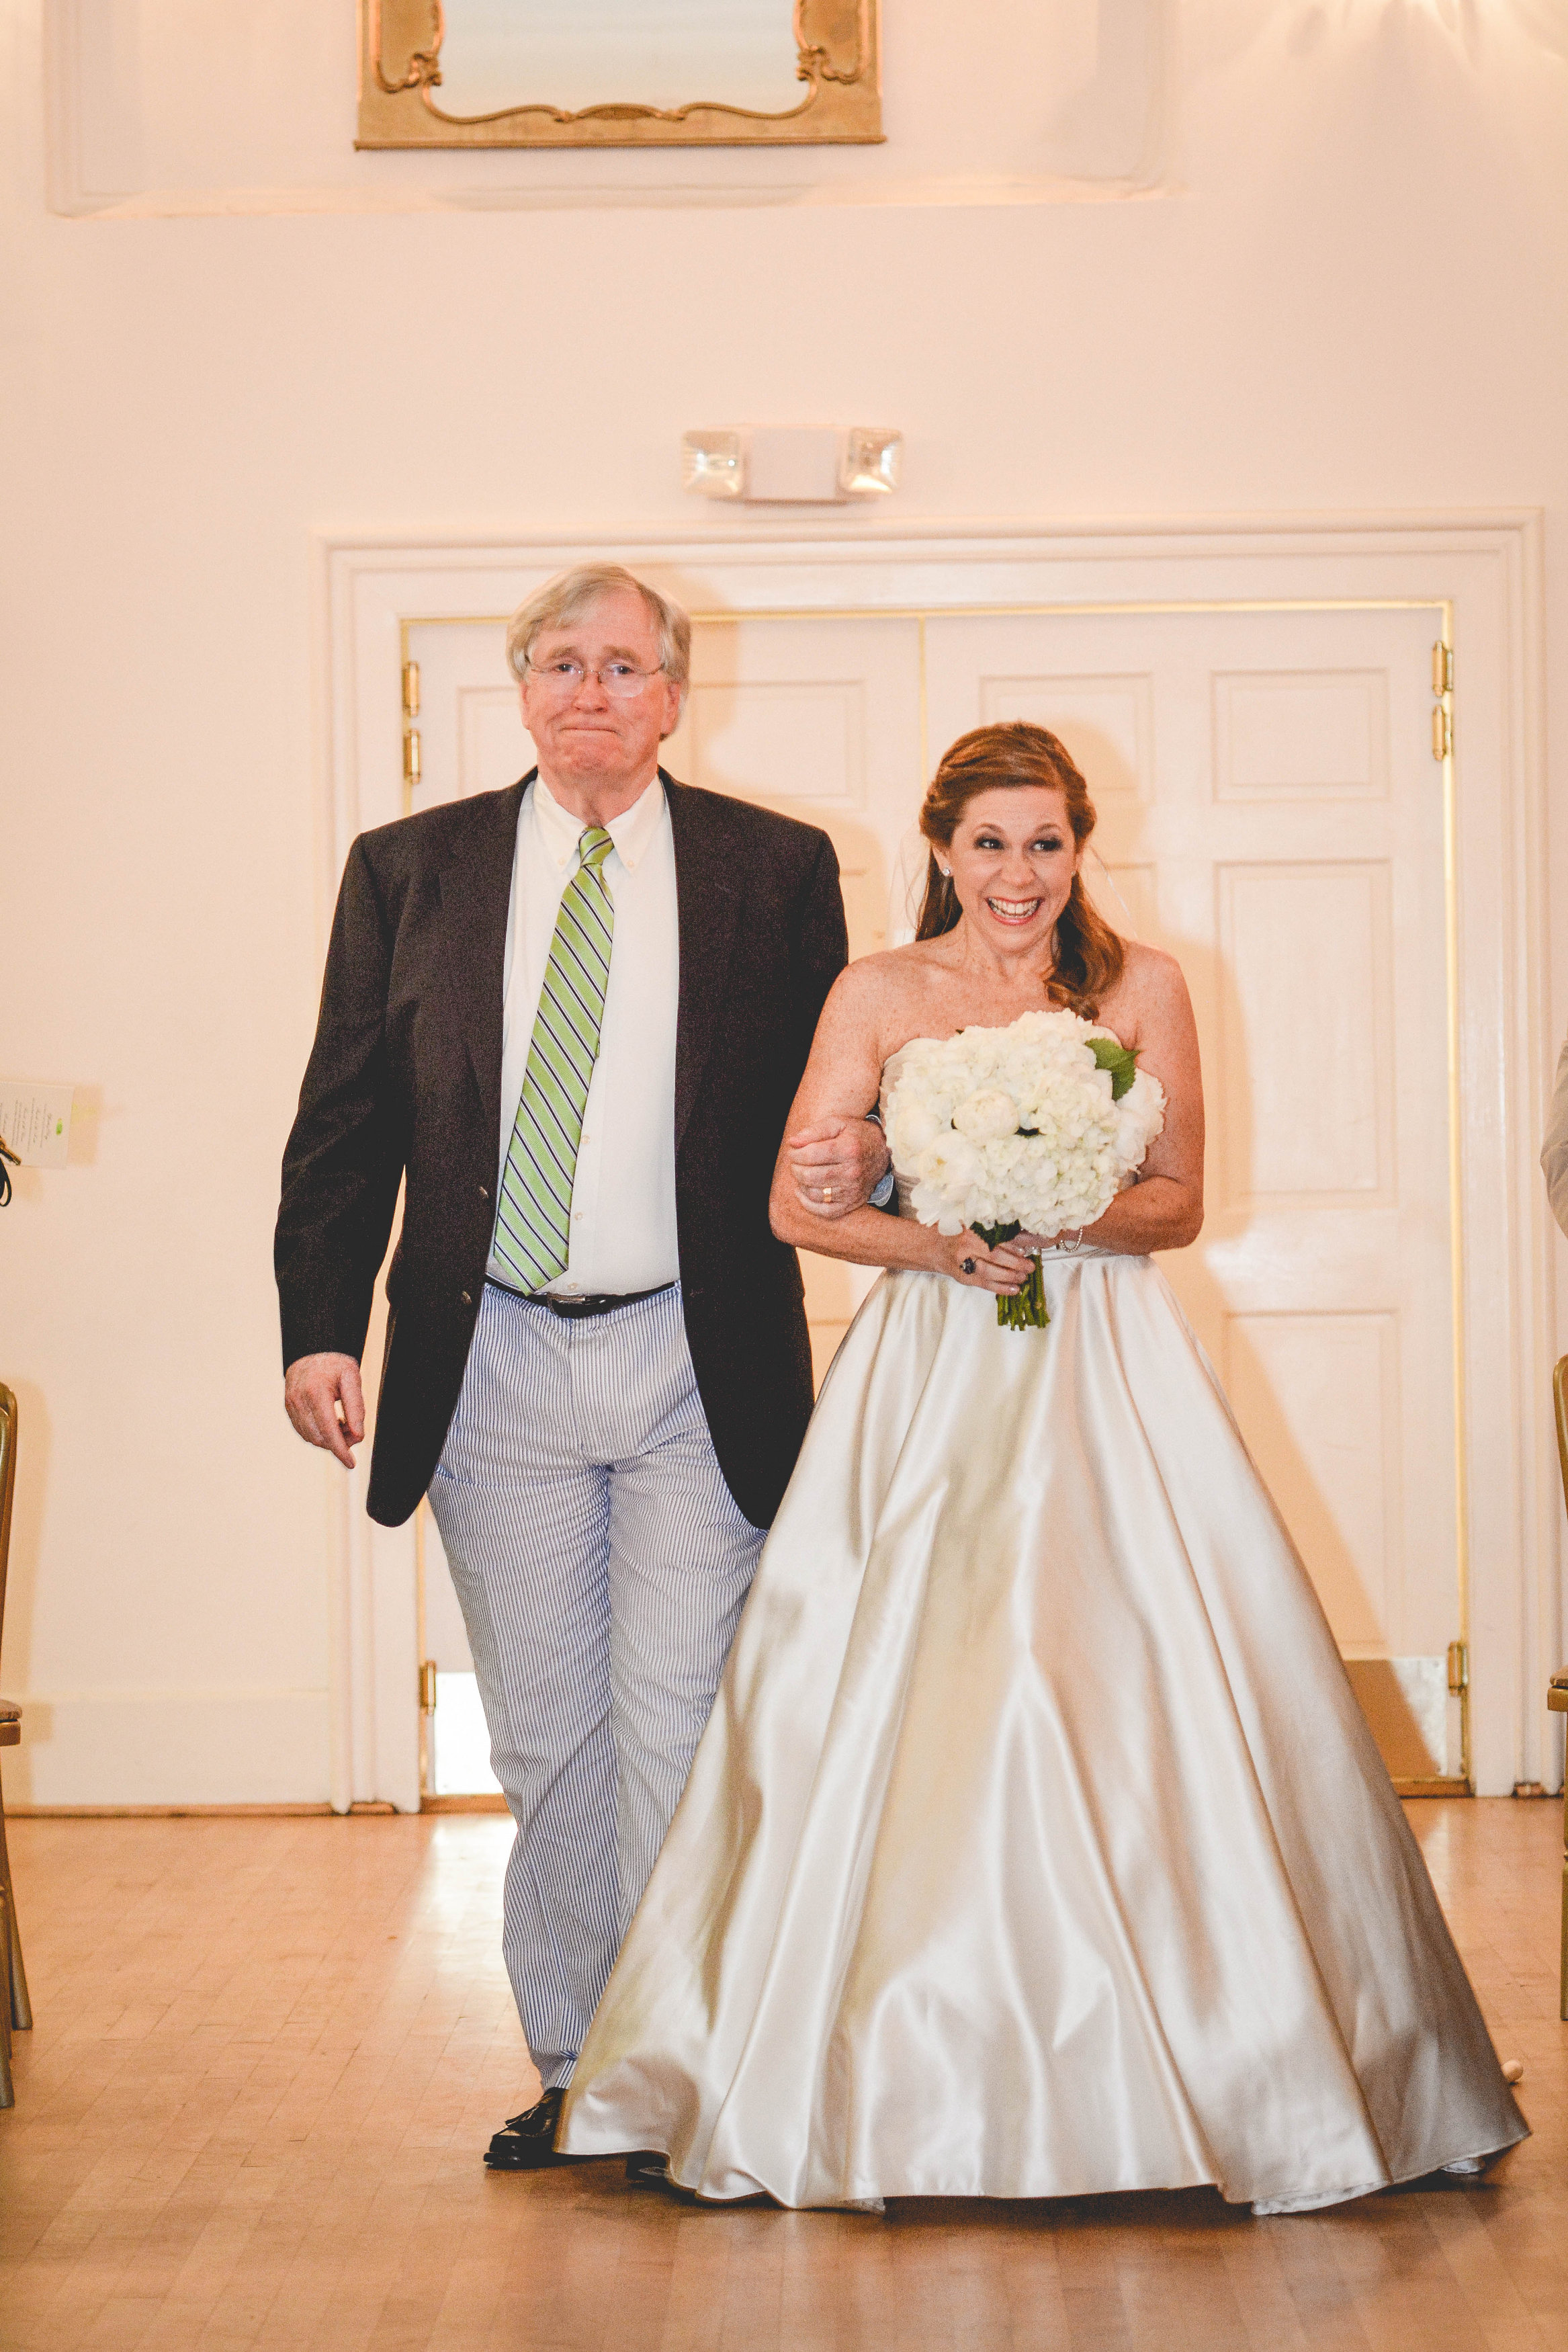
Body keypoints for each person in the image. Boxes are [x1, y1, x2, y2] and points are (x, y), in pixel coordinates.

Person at [558, 720, 1527, 2214]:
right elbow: (800, 1207)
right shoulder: (878, 991)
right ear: (943, 848)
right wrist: (948, 1235)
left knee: (1120, 1671)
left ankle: (1231, 2065)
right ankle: (860, 2068)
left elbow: (1183, 1199)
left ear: (1085, 845)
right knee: (922, 1686)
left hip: (1107, 1370)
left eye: (1049, 841)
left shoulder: (1146, 986)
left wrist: (1060, 1204)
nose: (1021, 873)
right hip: (933, 1373)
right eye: (992, 842)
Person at [274, 564, 891, 2170]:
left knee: (681, 1727)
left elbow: (838, 1103)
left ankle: (685, 2067)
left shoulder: (776, 868)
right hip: (487, 1369)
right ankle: (578, 2069)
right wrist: (320, 1322)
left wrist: (878, 1175)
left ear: (675, 695)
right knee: (547, 1737)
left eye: (625, 665)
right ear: (523, 687)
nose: (591, 691)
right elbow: (345, 1119)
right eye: (562, 662)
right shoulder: (411, 870)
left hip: (701, 1357)